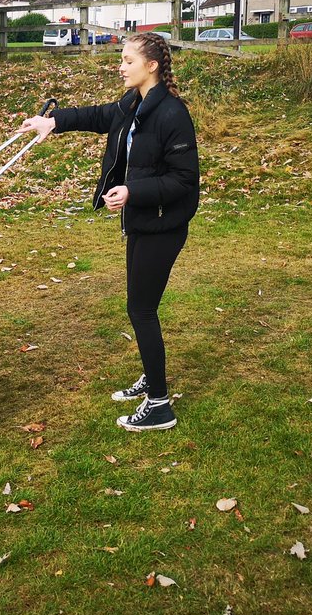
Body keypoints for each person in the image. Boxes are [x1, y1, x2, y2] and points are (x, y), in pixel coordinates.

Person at [21, 32, 199, 431]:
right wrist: (53, 121)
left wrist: (133, 190)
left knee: (141, 309)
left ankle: (159, 404)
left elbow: (184, 180)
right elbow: (99, 116)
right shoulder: (133, 104)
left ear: (151, 66)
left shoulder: (172, 114)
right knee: (139, 307)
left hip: (163, 225)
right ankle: (152, 378)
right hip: (142, 221)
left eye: (127, 60)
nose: (121, 66)